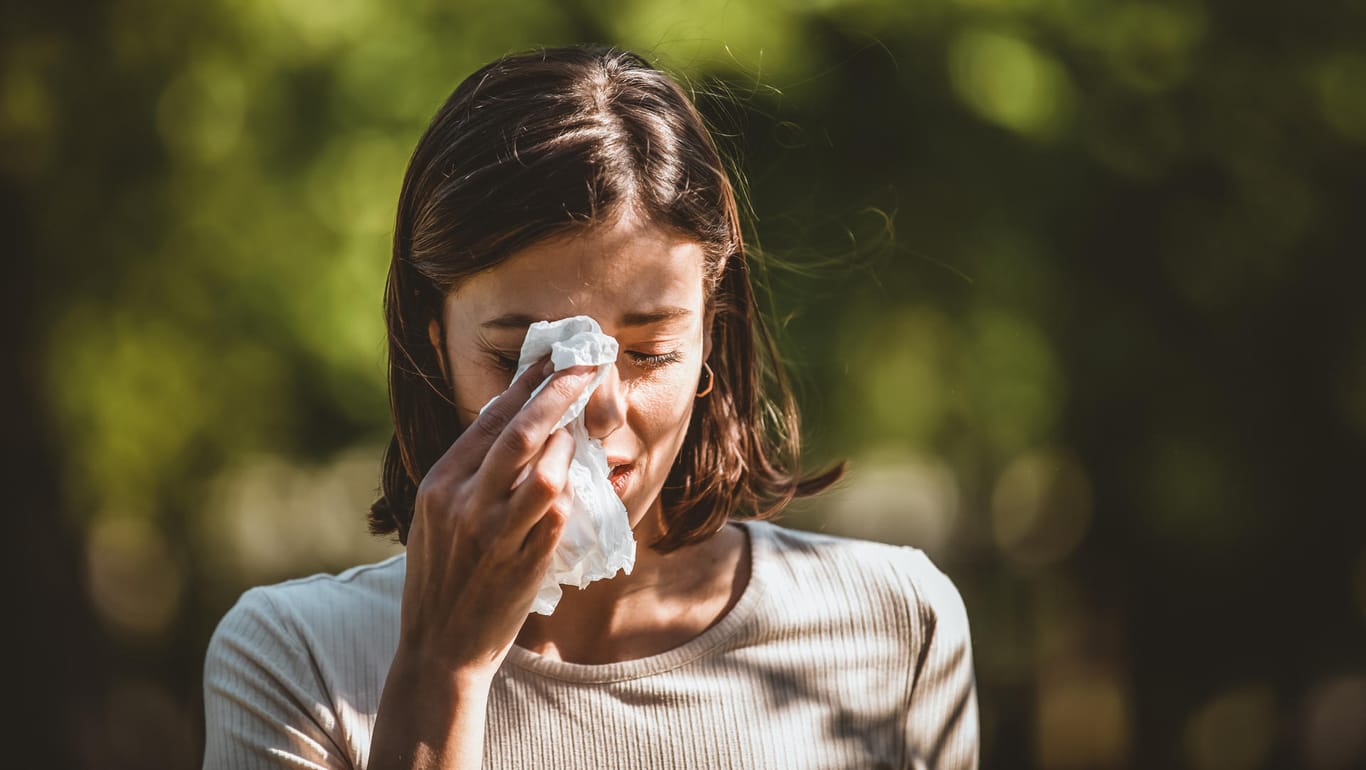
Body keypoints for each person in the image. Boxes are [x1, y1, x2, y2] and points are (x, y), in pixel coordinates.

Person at [202, 45, 979, 770]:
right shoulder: (298, 660)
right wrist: (442, 672)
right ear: (433, 343)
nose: (596, 409)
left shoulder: (895, 624)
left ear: (714, 334)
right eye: (522, 360)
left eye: (647, 353)